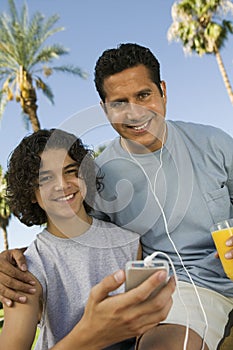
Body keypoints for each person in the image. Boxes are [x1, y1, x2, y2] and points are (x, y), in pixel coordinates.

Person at [0, 42, 233, 349]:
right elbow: (72, 235)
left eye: (144, 95)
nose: (134, 112)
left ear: (162, 91)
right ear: (104, 109)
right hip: (184, 292)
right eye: (119, 102)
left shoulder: (214, 143)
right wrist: (17, 258)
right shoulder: (101, 175)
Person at [0, 128, 174, 350]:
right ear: (31, 194)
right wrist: (91, 334)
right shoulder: (27, 268)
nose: (62, 185)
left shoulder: (128, 242)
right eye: (45, 178)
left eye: (70, 171)